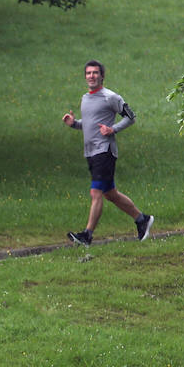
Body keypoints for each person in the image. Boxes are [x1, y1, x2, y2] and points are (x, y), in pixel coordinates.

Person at [62, 59, 153, 246]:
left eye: (95, 73)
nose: (91, 76)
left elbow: (131, 117)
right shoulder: (85, 98)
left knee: (96, 192)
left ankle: (87, 235)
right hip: (90, 153)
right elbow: (89, 125)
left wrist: (114, 129)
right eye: (88, 73)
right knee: (110, 194)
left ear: (102, 76)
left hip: (104, 151)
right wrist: (74, 124)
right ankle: (142, 219)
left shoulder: (110, 97)